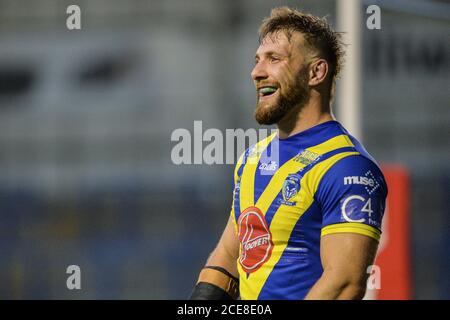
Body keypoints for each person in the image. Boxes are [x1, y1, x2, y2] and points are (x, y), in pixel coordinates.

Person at [190, 7, 387, 300]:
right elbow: (230, 256)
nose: (256, 72)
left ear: (316, 72)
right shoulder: (252, 159)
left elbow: (344, 284)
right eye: (257, 60)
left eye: (274, 59)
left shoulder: (348, 168)